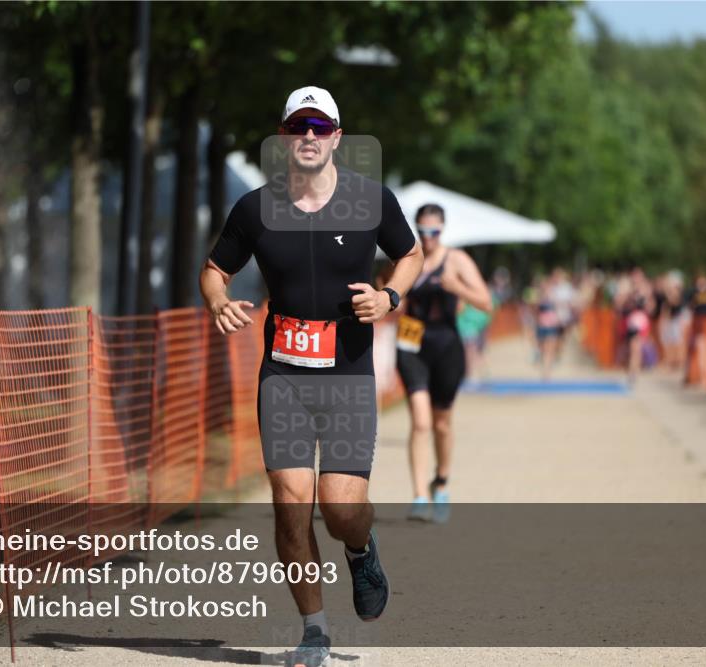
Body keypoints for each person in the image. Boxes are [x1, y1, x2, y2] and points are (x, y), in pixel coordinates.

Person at [199, 86, 423, 667]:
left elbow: (412, 254)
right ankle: (314, 630)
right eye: (299, 126)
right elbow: (214, 269)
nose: (309, 136)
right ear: (283, 136)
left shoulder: (372, 200)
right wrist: (217, 298)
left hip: (348, 377)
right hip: (284, 378)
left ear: (336, 137)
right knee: (291, 504)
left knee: (341, 508)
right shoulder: (255, 208)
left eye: (320, 127)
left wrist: (389, 294)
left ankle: (360, 547)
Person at [395, 204, 491, 523]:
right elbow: (391, 291)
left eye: (433, 232)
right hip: (411, 342)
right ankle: (419, 494)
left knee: (441, 422)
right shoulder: (408, 257)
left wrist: (457, 287)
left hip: (447, 345)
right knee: (421, 421)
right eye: (421, 231)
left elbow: (487, 302)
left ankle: (443, 480)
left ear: (443, 230)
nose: (428, 237)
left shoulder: (457, 260)